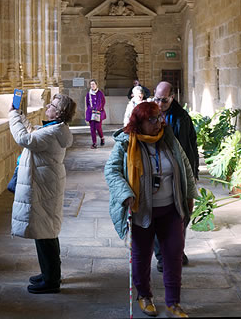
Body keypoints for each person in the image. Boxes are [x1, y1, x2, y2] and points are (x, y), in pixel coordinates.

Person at [104, 101, 198, 318]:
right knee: (141, 255)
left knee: (173, 255)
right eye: (153, 119)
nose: (159, 123)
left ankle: (173, 303)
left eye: (160, 118)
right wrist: (125, 193)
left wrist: (189, 194)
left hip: (171, 208)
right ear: (140, 122)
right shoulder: (126, 143)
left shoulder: (168, 139)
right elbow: (111, 171)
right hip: (141, 210)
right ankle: (144, 296)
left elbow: (184, 166)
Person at [9, 93, 77, 294]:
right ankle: (49, 273)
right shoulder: (54, 129)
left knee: (45, 232)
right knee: (45, 230)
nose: (48, 105)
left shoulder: (52, 132)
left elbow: (24, 138)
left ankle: (51, 280)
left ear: (59, 112)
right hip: (45, 181)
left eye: (53, 104)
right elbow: (33, 134)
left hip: (44, 184)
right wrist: (20, 115)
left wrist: (12, 116)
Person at [152, 82, 199, 271]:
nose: (160, 103)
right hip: (155, 174)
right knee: (158, 216)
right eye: (157, 98)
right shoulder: (148, 113)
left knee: (182, 215)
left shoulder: (181, 118)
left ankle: (177, 251)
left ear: (172, 98)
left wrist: (192, 174)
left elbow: (190, 146)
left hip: (179, 173)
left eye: (164, 100)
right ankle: (163, 256)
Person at [85, 79, 107, 147]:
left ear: (96, 85)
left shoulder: (100, 93)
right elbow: (87, 103)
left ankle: (102, 138)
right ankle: (94, 143)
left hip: (98, 112)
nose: (92, 85)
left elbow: (103, 102)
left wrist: (99, 108)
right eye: (91, 84)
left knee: (98, 127)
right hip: (91, 113)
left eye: (94, 84)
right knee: (92, 128)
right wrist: (90, 109)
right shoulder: (88, 94)